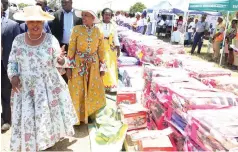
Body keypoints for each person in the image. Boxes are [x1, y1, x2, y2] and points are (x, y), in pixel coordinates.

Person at [8, 6, 78, 151]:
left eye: (38, 22)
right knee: (28, 119)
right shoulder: (18, 40)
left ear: (43, 23)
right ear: (26, 22)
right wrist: (13, 75)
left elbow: (61, 62)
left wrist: (60, 61)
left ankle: (44, 143)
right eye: (31, 21)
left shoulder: (51, 40)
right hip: (25, 87)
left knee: (44, 118)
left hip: (48, 88)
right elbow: (12, 62)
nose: (35, 25)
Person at [66, 9, 106, 125]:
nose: (83, 17)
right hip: (78, 65)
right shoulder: (76, 29)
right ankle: (77, 118)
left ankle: (91, 114)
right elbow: (71, 49)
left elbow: (101, 50)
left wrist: (102, 66)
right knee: (77, 90)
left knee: (93, 89)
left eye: (86, 15)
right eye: (82, 15)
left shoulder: (98, 31)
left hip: (93, 65)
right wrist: (69, 68)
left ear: (93, 18)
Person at [51, 0, 82, 82]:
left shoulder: (78, 14)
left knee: (74, 67)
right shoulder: (57, 14)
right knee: (62, 68)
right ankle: (64, 86)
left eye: (66, 2)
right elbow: (54, 31)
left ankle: (73, 86)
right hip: (62, 46)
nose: (63, 4)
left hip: (76, 47)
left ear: (71, 2)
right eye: (62, 2)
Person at [1, 2, 20, 132]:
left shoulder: (12, 25)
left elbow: (18, 48)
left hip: (4, 64)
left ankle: (7, 120)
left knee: (5, 93)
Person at [97, 8, 120, 92]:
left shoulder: (114, 25)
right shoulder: (97, 25)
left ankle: (111, 85)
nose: (107, 16)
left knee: (111, 65)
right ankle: (101, 85)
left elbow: (116, 37)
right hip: (100, 47)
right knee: (101, 65)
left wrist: (118, 49)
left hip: (110, 48)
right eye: (106, 14)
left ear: (111, 16)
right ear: (102, 15)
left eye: (109, 15)